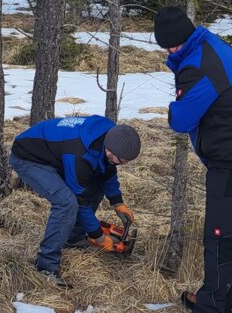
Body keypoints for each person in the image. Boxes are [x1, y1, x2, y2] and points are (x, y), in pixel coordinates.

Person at [154, 6, 232, 313]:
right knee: (229, 232)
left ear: (185, 37)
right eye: (167, 47)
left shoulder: (199, 67)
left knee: (221, 236)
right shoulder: (208, 44)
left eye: (175, 46)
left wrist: (173, 107)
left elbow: (181, 120)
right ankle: (217, 298)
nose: (172, 51)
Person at [9, 115, 140, 288]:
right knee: (66, 203)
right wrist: (98, 236)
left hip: (57, 155)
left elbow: (107, 171)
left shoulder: (113, 137)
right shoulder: (79, 154)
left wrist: (117, 202)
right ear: (109, 149)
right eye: (120, 160)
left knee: (95, 187)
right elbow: (81, 202)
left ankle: (74, 239)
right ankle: (45, 266)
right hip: (29, 158)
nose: (122, 163)